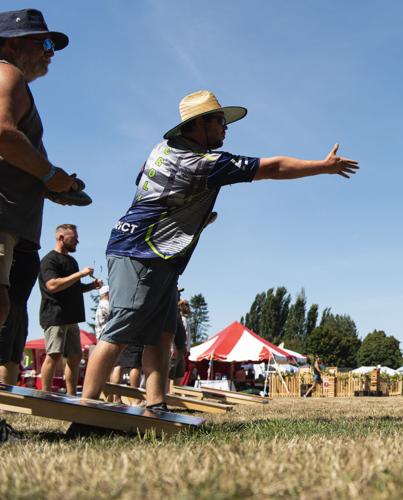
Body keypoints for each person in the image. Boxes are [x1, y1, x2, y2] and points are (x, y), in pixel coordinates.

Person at [82, 90, 358, 409]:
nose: (226, 128)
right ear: (200, 124)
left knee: (161, 335)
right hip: (140, 251)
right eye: (220, 121)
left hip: (155, 251)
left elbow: (156, 192)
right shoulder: (203, 163)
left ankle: (155, 405)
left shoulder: (162, 150)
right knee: (119, 330)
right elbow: (274, 167)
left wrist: (191, 217)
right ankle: (85, 408)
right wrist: (322, 167)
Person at [0, 9, 79, 386]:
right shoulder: (6, 72)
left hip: (16, 223)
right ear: (12, 44)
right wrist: (50, 175)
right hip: (4, 222)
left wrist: (50, 186)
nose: (52, 52)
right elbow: (2, 134)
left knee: (10, 313)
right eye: (44, 43)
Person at [38, 224, 101, 394]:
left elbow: (73, 286)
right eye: (74, 238)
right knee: (54, 355)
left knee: (75, 357)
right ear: (60, 238)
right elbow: (52, 285)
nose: (78, 242)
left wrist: (90, 286)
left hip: (71, 317)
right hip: (55, 315)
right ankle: (45, 395)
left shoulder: (71, 261)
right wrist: (80, 274)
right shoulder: (49, 260)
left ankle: (71, 395)